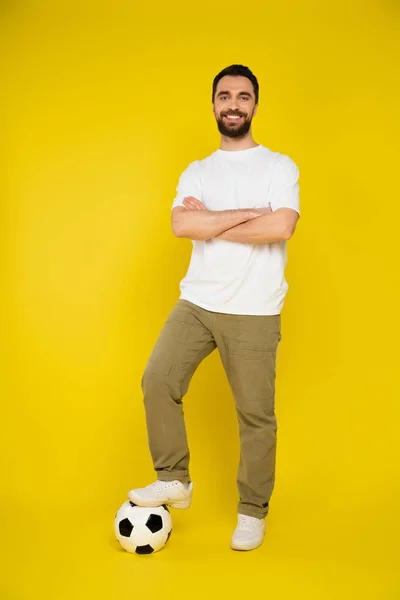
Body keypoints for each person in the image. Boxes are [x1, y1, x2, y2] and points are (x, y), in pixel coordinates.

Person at [128, 64, 300, 551]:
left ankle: (252, 511)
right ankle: (174, 479)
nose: (233, 104)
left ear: (254, 106)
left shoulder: (279, 167)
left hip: (255, 310)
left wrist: (213, 222)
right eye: (225, 96)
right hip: (198, 301)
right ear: (213, 105)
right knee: (157, 379)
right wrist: (250, 214)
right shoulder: (197, 170)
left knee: (255, 416)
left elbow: (282, 227)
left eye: (243, 97)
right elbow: (183, 226)